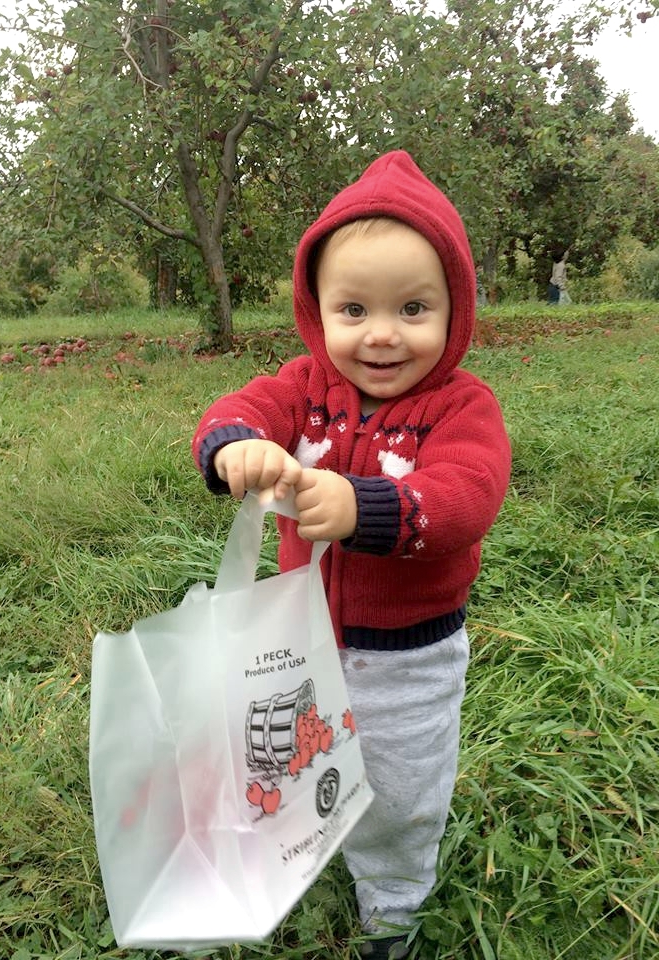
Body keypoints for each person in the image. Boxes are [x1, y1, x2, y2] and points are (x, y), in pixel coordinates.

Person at [192, 151, 511, 960]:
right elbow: (241, 407)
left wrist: (364, 505)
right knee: (299, 757)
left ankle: (395, 898)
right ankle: (309, 842)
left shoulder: (461, 405)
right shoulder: (306, 385)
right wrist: (238, 447)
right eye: (353, 308)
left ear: (455, 311)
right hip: (302, 640)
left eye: (412, 307)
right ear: (317, 312)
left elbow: (468, 494)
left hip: (408, 658)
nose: (380, 333)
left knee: (400, 791)